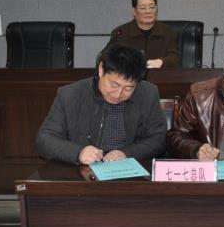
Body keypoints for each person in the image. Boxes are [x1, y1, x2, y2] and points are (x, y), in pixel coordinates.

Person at [35, 44, 167, 165]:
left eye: (128, 88)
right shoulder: (70, 95)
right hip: (82, 172)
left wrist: (128, 153)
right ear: (101, 69)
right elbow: (44, 140)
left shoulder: (148, 93)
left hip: (130, 171)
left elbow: (159, 139)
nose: (118, 94)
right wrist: (78, 152)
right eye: (114, 85)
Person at [109, 0, 179, 69]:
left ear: (156, 10)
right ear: (134, 11)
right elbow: (109, 59)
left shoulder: (168, 32)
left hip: (159, 75)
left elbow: (175, 58)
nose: (148, 11)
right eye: (143, 8)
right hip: (129, 75)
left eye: (152, 7)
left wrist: (161, 62)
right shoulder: (120, 33)